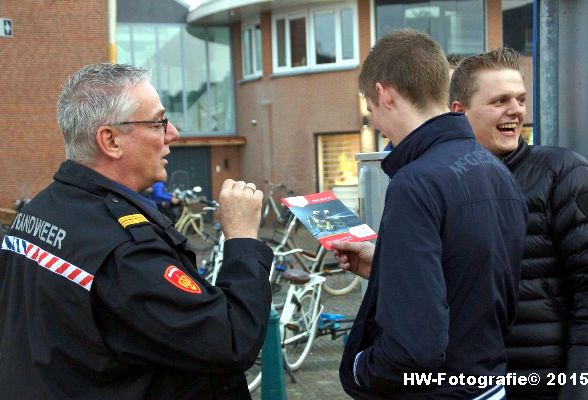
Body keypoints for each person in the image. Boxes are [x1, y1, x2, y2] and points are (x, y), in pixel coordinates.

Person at [0, 63, 273, 399]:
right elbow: (230, 341)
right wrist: (242, 239)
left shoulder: (39, 211)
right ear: (111, 140)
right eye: (158, 122)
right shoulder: (125, 251)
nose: (173, 133)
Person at [331, 30, 527, 399]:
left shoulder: (415, 183)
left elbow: (414, 347)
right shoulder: (496, 170)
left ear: (385, 94)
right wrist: (389, 263)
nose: (375, 122)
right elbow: (476, 279)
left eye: (370, 108)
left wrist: (360, 369)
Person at [450, 47, 588, 399]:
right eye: (500, 100)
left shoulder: (564, 172)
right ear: (459, 112)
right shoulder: (444, 185)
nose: (516, 110)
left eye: (520, 99)